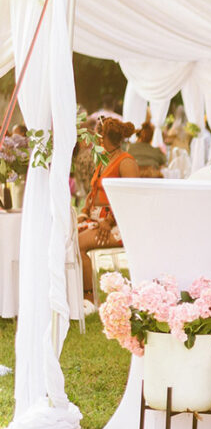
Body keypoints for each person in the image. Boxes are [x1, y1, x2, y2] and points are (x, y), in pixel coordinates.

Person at [78, 118, 139, 299]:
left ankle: (88, 297)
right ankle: (77, 295)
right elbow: (93, 192)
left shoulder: (126, 162)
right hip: (97, 221)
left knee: (78, 245)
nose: (96, 139)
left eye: (98, 135)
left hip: (118, 225)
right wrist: (83, 213)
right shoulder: (104, 158)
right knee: (67, 238)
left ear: (103, 137)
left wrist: (109, 221)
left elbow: (129, 199)